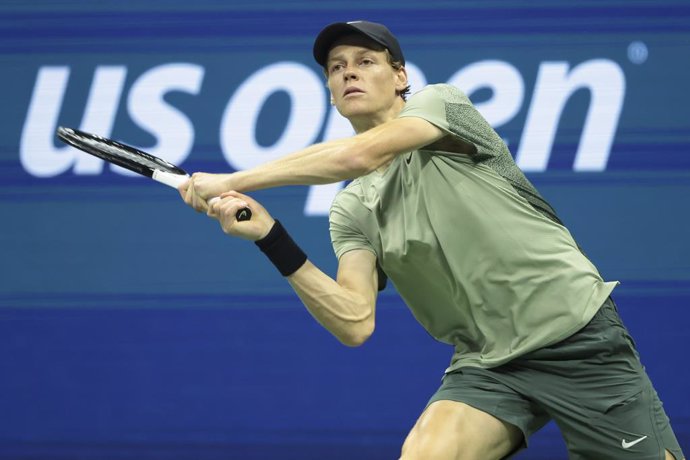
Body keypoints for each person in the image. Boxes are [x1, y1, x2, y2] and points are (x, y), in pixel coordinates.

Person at [180, 20, 685, 460]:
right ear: (331, 92)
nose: (348, 72)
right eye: (336, 68)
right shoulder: (352, 208)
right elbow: (355, 322)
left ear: (400, 76)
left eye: (365, 61)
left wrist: (232, 179)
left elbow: (359, 156)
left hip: (575, 336)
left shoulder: (442, 105)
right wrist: (270, 236)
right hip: (488, 364)